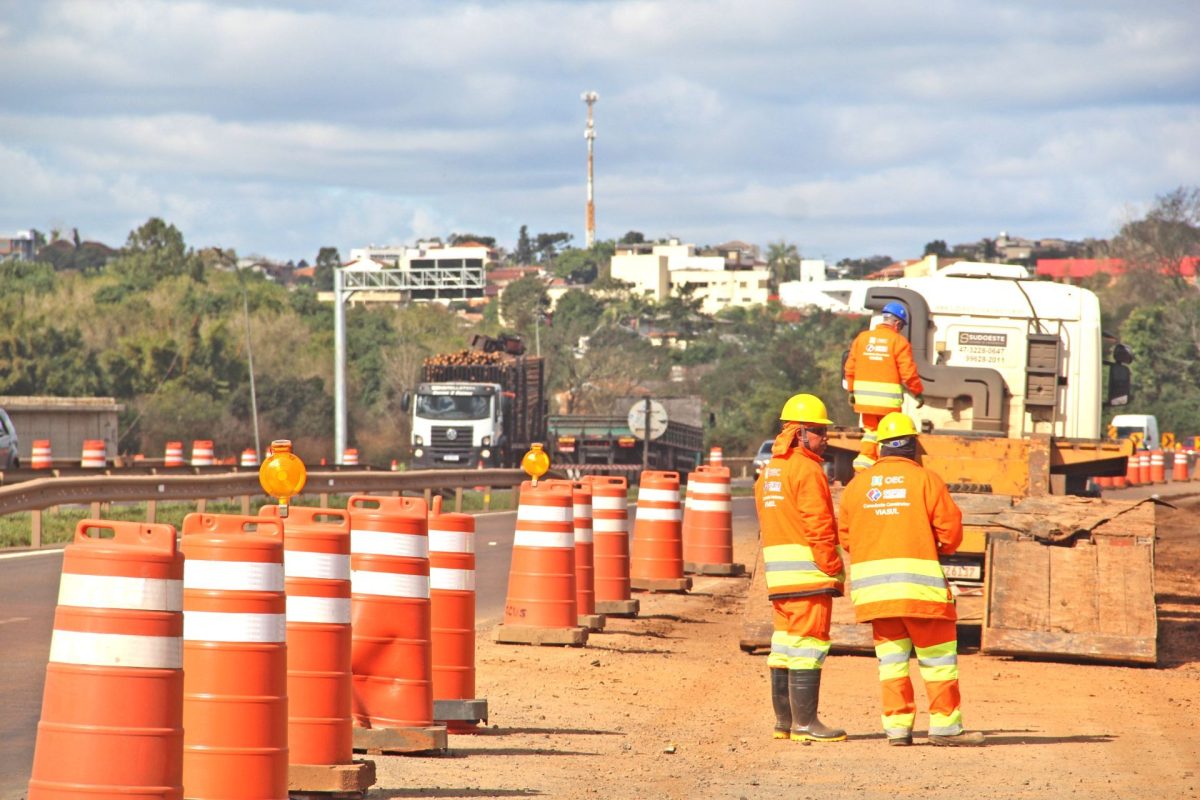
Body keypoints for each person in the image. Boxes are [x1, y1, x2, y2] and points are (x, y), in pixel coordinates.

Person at [837, 412, 985, 747]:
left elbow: (847, 538)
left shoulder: (857, 486)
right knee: (938, 663)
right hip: (921, 595)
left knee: (891, 665)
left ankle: (897, 730)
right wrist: (935, 547)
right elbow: (951, 533)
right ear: (912, 445)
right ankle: (945, 728)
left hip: (877, 598)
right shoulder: (926, 480)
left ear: (880, 449)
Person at [754, 393, 846, 743]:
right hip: (808, 578)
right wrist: (833, 567)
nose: (826, 439)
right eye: (821, 432)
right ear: (801, 432)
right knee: (808, 647)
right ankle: (806, 724)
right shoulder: (807, 470)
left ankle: (785, 723)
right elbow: (819, 525)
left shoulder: (771, 471)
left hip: (780, 580)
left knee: (784, 648)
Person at [844, 301, 924, 472]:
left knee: (871, 432)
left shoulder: (862, 338)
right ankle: (885, 467)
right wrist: (917, 392)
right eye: (901, 325)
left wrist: (851, 390)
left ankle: (863, 466)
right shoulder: (898, 342)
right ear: (897, 323)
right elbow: (908, 372)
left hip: (864, 401)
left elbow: (850, 367)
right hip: (888, 404)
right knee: (889, 434)